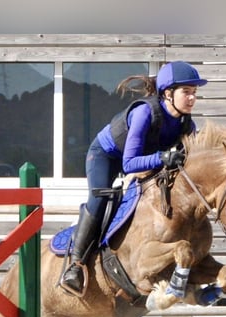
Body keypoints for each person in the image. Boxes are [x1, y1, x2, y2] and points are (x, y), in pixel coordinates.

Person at [59, 60, 208, 297]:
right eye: (186, 92)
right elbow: (129, 164)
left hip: (145, 160)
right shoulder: (145, 112)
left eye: (194, 93)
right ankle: (75, 266)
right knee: (100, 199)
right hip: (107, 156)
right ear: (168, 93)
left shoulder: (187, 124)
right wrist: (163, 157)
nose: (192, 98)